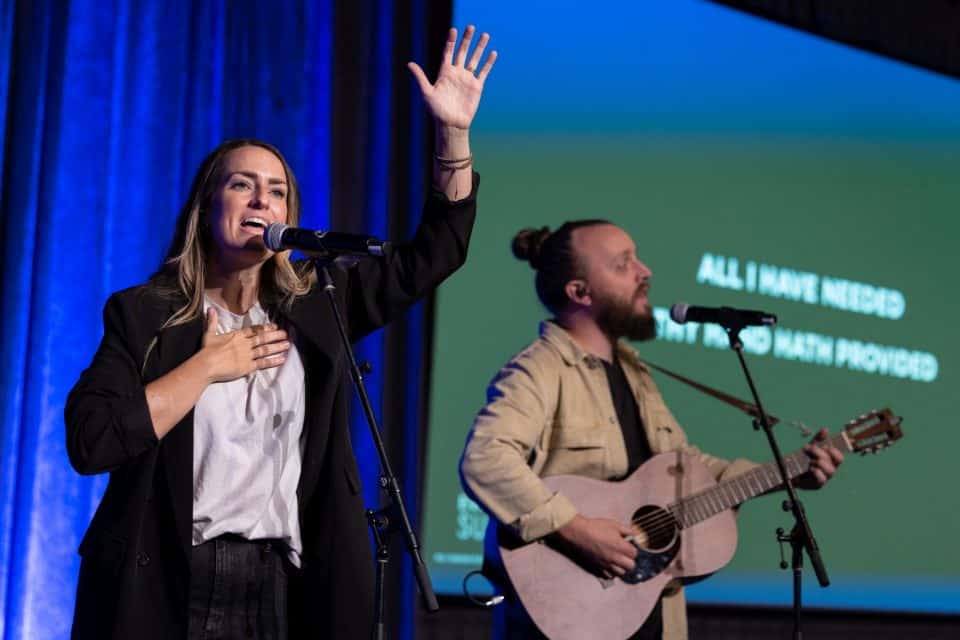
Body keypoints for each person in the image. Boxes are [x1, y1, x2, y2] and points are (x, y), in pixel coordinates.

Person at [64, 25, 496, 640]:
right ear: (206, 208)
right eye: (242, 184)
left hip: (280, 584)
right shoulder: (144, 314)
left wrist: (453, 132)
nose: (261, 200)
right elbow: (91, 440)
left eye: (277, 192)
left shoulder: (322, 301)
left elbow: (436, 253)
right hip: (169, 582)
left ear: (288, 218)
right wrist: (205, 368)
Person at [459, 221, 844, 640]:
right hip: (573, 617)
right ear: (580, 293)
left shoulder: (636, 373)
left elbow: (686, 472)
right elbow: (486, 460)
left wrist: (790, 472)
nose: (646, 272)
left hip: (652, 619)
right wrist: (578, 529)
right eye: (624, 264)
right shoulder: (539, 371)